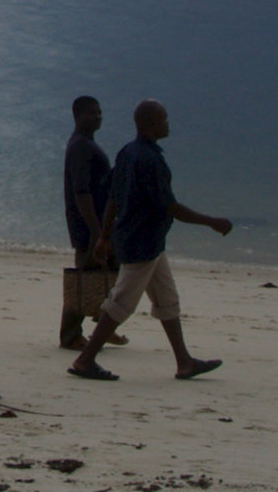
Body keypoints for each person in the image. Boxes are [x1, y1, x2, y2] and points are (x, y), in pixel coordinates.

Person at [68, 99, 232, 381]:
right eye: (164, 119)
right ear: (149, 124)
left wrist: (105, 236)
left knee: (167, 299)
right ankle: (85, 360)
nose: (168, 124)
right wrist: (211, 222)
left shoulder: (127, 152)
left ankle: (184, 362)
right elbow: (171, 207)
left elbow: (113, 198)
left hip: (146, 241)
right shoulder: (149, 159)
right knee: (121, 302)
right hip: (142, 243)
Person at [60, 95, 126, 351]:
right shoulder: (80, 146)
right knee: (84, 279)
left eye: (99, 113)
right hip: (88, 226)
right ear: (77, 116)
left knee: (110, 274)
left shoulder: (86, 143)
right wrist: (97, 232)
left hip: (99, 225)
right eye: (92, 113)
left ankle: (104, 327)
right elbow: (81, 191)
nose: (98, 117)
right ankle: (70, 335)